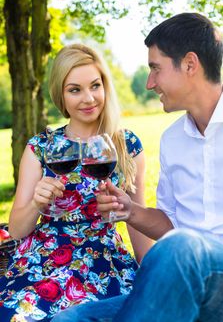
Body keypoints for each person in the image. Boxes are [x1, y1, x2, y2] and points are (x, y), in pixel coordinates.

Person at [51, 12, 223, 321]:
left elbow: (179, 244)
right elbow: (170, 225)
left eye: (155, 69)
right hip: (181, 275)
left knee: (182, 247)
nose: (150, 83)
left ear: (190, 64)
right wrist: (129, 210)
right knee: (69, 319)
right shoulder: (173, 139)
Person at [0, 44, 152, 321]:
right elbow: (18, 230)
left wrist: (155, 276)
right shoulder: (41, 147)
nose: (88, 98)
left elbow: (138, 228)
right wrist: (37, 202)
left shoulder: (126, 144)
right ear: (61, 94)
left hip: (105, 259)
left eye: (95, 85)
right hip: (45, 260)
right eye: (75, 89)